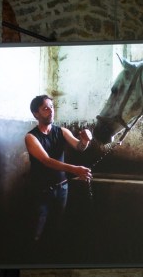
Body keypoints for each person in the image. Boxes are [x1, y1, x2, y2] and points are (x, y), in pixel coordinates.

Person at [24, 94, 93, 249]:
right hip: (41, 191)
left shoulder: (62, 131)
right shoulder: (31, 137)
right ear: (36, 114)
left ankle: (50, 257)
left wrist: (85, 140)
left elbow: (79, 147)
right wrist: (75, 169)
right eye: (45, 108)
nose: (51, 111)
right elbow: (46, 161)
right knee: (37, 230)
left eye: (52, 107)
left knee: (55, 227)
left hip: (62, 188)